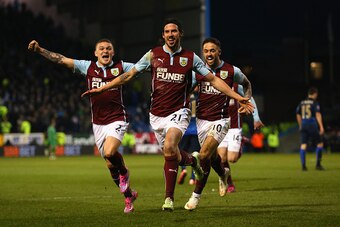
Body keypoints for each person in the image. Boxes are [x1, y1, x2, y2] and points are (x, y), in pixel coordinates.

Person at [81, 18, 254, 211]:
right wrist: (103, 87)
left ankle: (169, 199)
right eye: (167, 32)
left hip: (180, 112)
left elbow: (213, 79)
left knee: (172, 145)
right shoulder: (153, 55)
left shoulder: (191, 58)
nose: (170, 34)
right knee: (173, 154)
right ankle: (194, 162)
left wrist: (238, 97)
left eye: (174, 31)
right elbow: (127, 76)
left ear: (180, 34)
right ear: (163, 35)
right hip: (157, 115)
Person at [28, 38, 138, 213]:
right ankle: (128, 196)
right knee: (110, 164)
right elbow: (61, 59)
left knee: (110, 152)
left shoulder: (121, 67)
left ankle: (125, 172)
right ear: (95, 53)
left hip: (117, 118)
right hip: (98, 123)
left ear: (113, 52)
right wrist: (40, 50)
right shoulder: (87, 67)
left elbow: (142, 67)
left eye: (109, 48)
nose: (105, 51)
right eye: (101, 48)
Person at [184, 37, 253, 210]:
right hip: (201, 120)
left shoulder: (231, 70)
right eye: (206, 51)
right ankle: (223, 174)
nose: (209, 53)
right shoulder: (197, 72)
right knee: (213, 156)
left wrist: (247, 100)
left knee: (204, 155)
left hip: (221, 120)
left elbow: (246, 83)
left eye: (212, 50)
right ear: (203, 53)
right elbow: (187, 90)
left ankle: (195, 196)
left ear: (219, 52)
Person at [216, 83, 264, 195]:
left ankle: (241, 141)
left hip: (234, 126)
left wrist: (256, 118)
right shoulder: (215, 84)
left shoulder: (237, 87)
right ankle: (230, 183)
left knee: (232, 159)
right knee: (222, 158)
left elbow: (249, 99)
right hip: (220, 126)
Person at [296, 87, 325, 171]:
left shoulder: (301, 103)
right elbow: (318, 114)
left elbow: (298, 115)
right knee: (319, 143)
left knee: (303, 144)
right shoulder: (314, 103)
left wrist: (300, 125)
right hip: (312, 123)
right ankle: (318, 165)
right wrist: (321, 126)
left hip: (304, 124)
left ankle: (303, 166)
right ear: (315, 94)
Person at [178, 93, 200, 185]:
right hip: (196, 129)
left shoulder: (183, 96)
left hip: (185, 129)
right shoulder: (199, 98)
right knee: (194, 154)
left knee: (181, 151)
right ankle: (192, 178)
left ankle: (183, 170)